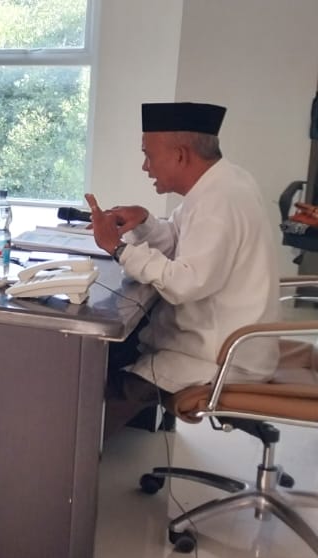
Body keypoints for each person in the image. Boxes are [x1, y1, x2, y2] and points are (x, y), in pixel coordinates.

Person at [86, 102, 280, 437]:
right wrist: (145, 222)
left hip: (218, 356)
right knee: (113, 352)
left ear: (180, 155)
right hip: (221, 342)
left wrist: (118, 249)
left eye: (149, 155)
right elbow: (179, 239)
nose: (145, 166)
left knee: (90, 401)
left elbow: (185, 283)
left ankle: (64, 456)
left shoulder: (219, 201)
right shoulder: (223, 182)